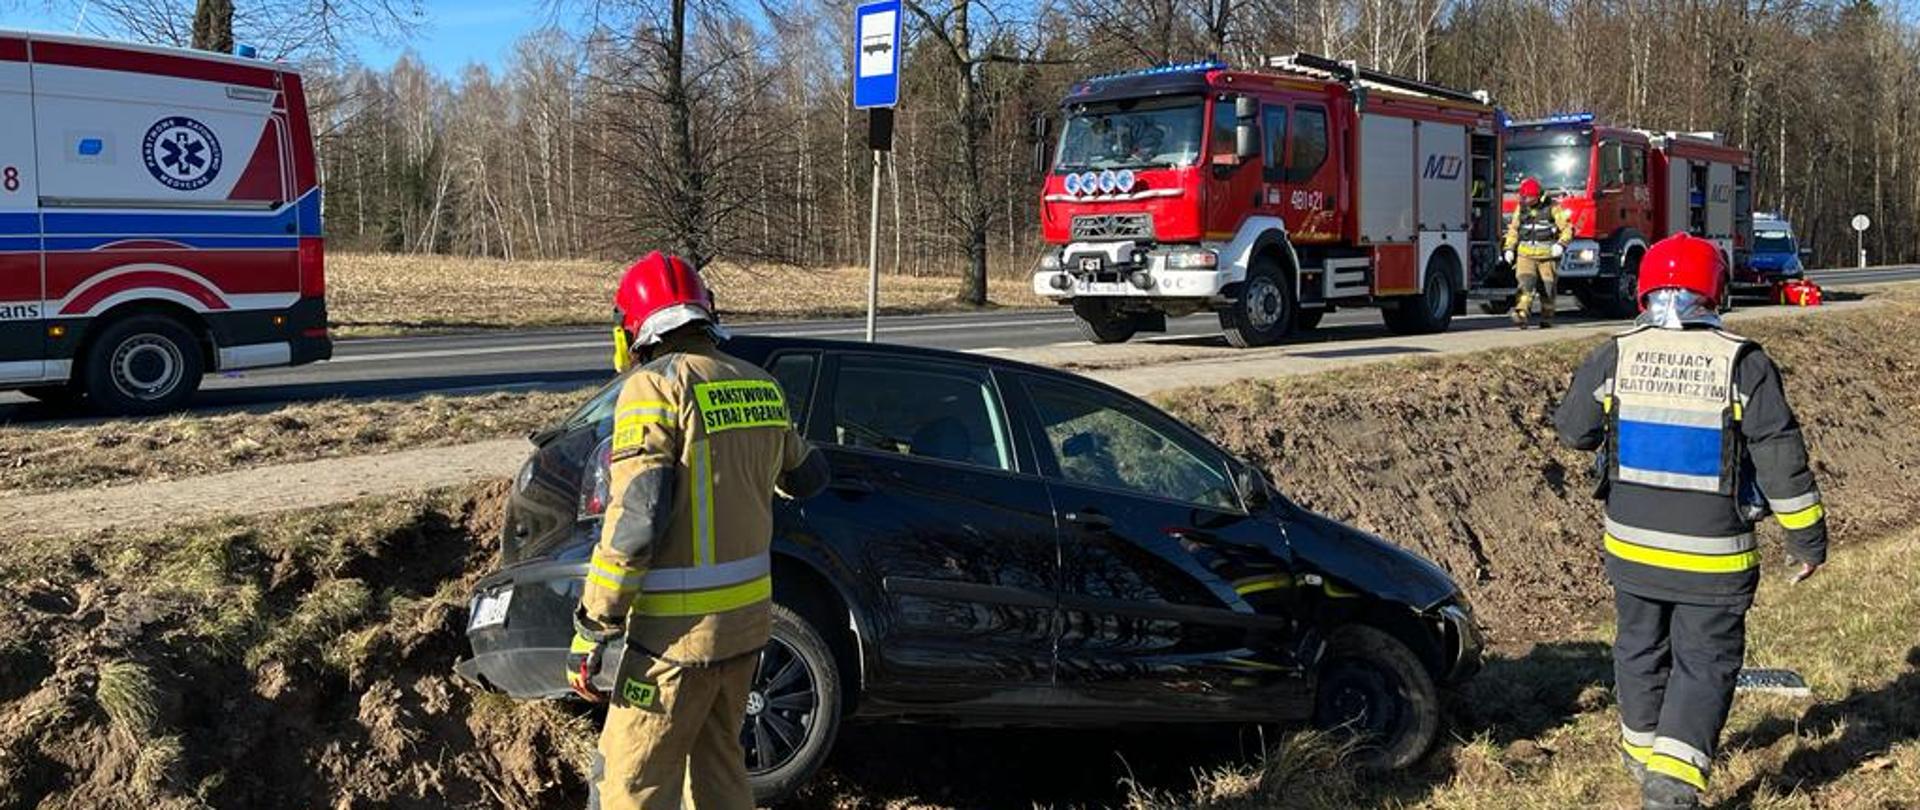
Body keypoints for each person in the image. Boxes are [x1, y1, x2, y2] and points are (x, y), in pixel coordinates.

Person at [1553, 234, 1829, 810]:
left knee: (1637, 648)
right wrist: (1807, 541)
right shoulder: (1742, 362)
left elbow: (1574, 431)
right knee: (1704, 663)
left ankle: (1644, 752)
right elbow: (1781, 458)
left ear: (1645, 289)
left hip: (1630, 550)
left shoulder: (1616, 352)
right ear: (1716, 291)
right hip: (1713, 558)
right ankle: (1672, 784)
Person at [568, 251, 830, 810]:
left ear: (634, 329)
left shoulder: (653, 389)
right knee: (719, 782)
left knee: (629, 787)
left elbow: (637, 519)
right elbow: (808, 478)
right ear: (705, 315)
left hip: (671, 642)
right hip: (744, 634)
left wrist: (595, 623)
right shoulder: (761, 386)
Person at [1504, 176, 1573, 328]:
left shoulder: (1553, 207)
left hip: (1547, 256)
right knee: (1525, 284)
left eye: (1528, 197)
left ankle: (1547, 317)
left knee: (1547, 288)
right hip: (1525, 254)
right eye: (1524, 197)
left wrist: (1561, 245)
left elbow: (1567, 228)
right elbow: (1513, 230)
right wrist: (1509, 248)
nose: (1526, 200)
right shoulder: (1521, 208)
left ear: (1537, 196)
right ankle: (1521, 314)